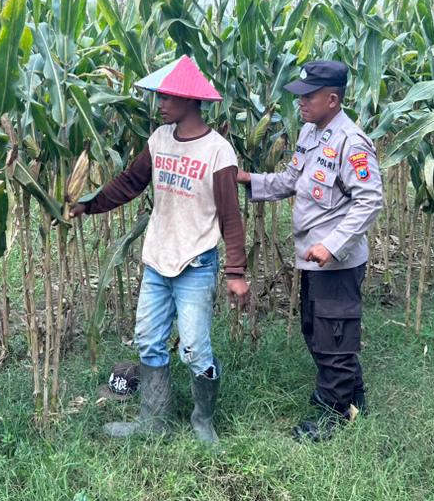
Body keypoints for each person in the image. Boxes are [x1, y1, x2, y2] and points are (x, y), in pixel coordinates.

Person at [72, 55, 249, 444]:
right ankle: (154, 421)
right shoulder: (159, 140)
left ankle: (203, 420)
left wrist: (236, 272)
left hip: (195, 263)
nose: (160, 104)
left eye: (167, 97)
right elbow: (130, 183)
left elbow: (230, 216)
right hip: (157, 260)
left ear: (188, 100)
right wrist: (89, 204)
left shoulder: (217, 151)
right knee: (149, 340)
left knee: (195, 349)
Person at [239, 60, 383, 441]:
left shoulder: (351, 143)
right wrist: (250, 180)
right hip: (312, 259)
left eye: (309, 96)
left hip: (336, 263)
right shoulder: (309, 132)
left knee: (332, 337)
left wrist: (332, 246)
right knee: (319, 330)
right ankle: (353, 397)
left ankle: (335, 414)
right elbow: (292, 179)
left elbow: (370, 201)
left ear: (332, 100)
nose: (300, 103)